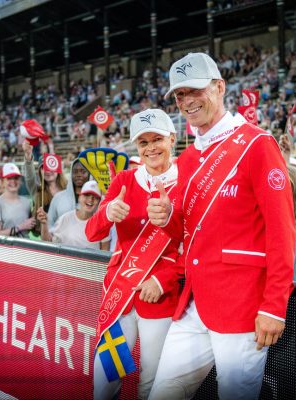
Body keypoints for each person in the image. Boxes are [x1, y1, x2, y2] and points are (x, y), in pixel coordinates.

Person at [146, 52, 295, 399]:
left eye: (194, 90)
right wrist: (167, 217)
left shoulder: (258, 144)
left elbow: (282, 231)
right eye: (179, 95)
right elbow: (187, 231)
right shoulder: (187, 157)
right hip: (193, 304)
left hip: (242, 307)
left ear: (219, 88)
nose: (186, 101)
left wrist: (274, 305)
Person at [85, 109, 184, 400]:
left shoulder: (188, 180)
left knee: (151, 384)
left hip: (159, 299)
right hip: (121, 296)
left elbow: (193, 245)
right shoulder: (125, 180)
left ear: (172, 139)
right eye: (143, 142)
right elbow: (92, 233)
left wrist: (164, 280)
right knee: (106, 377)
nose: (151, 148)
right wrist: (106, 213)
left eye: (157, 139)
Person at [38, 180, 110, 250]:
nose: (91, 199)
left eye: (96, 197)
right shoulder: (65, 218)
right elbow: (48, 242)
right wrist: (44, 224)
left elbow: (105, 253)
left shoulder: (101, 224)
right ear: (79, 197)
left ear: (99, 202)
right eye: (87, 195)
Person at [22, 141, 68, 235]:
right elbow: (29, 177)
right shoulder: (37, 190)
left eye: (51, 167)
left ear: (58, 169)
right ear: (40, 172)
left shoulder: (68, 188)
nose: (48, 171)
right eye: (43, 168)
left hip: (66, 237)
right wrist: (28, 156)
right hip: (45, 239)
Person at [0, 163, 35, 238]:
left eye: (16, 178)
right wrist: (21, 227)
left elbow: (31, 229)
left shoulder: (26, 202)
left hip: (25, 247)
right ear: (2, 182)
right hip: (6, 248)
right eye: (9, 178)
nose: (13, 181)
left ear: (20, 181)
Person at [47, 159, 89, 229]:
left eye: (83, 172)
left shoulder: (95, 198)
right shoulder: (58, 197)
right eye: (75, 172)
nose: (78, 175)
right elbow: (49, 223)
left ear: (89, 174)